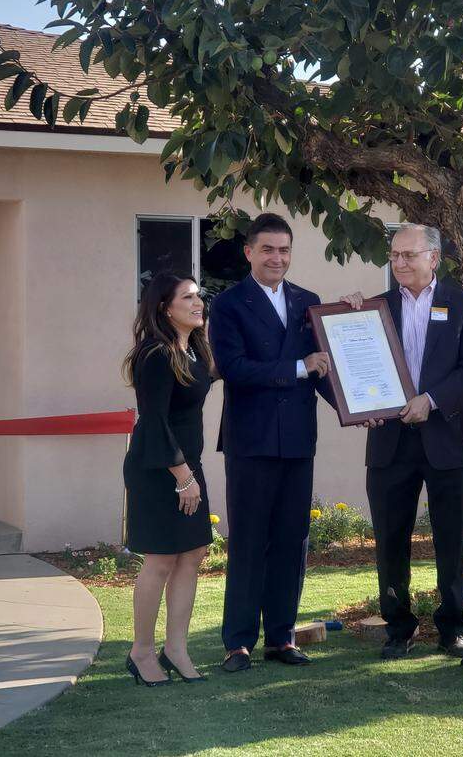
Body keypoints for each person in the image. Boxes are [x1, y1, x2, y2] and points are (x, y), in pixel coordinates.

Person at [341, 223, 463, 659]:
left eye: (409, 255)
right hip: (390, 442)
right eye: (395, 255)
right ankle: (398, 627)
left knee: (451, 540)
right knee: (389, 539)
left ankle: (452, 627)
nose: (400, 262)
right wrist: (348, 316)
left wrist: (431, 400)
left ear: (434, 258)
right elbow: (352, 363)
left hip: (446, 441)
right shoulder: (373, 308)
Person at [208, 213, 333, 673]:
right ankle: (237, 642)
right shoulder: (227, 305)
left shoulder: (309, 302)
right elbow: (235, 368)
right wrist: (300, 367)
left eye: (283, 250)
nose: (276, 258)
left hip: (298, 440)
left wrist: (358, 408)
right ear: (249, 252)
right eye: (267, 249)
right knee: (248, 541)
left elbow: (325, 369)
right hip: (251, 441)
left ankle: (281, 637)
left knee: (291, 541)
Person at [122, 272, 216, 686]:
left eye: (200, 297)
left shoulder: (192, 350)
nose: (198, 303)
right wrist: (183, 477)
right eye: (189, 297)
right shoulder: (156, 354)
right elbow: (155, 421)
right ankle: (141, 651)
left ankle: (175, 647)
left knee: (192, 554)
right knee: (160, 559)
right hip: (160, 469)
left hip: (187, 466)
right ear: (165, 306)